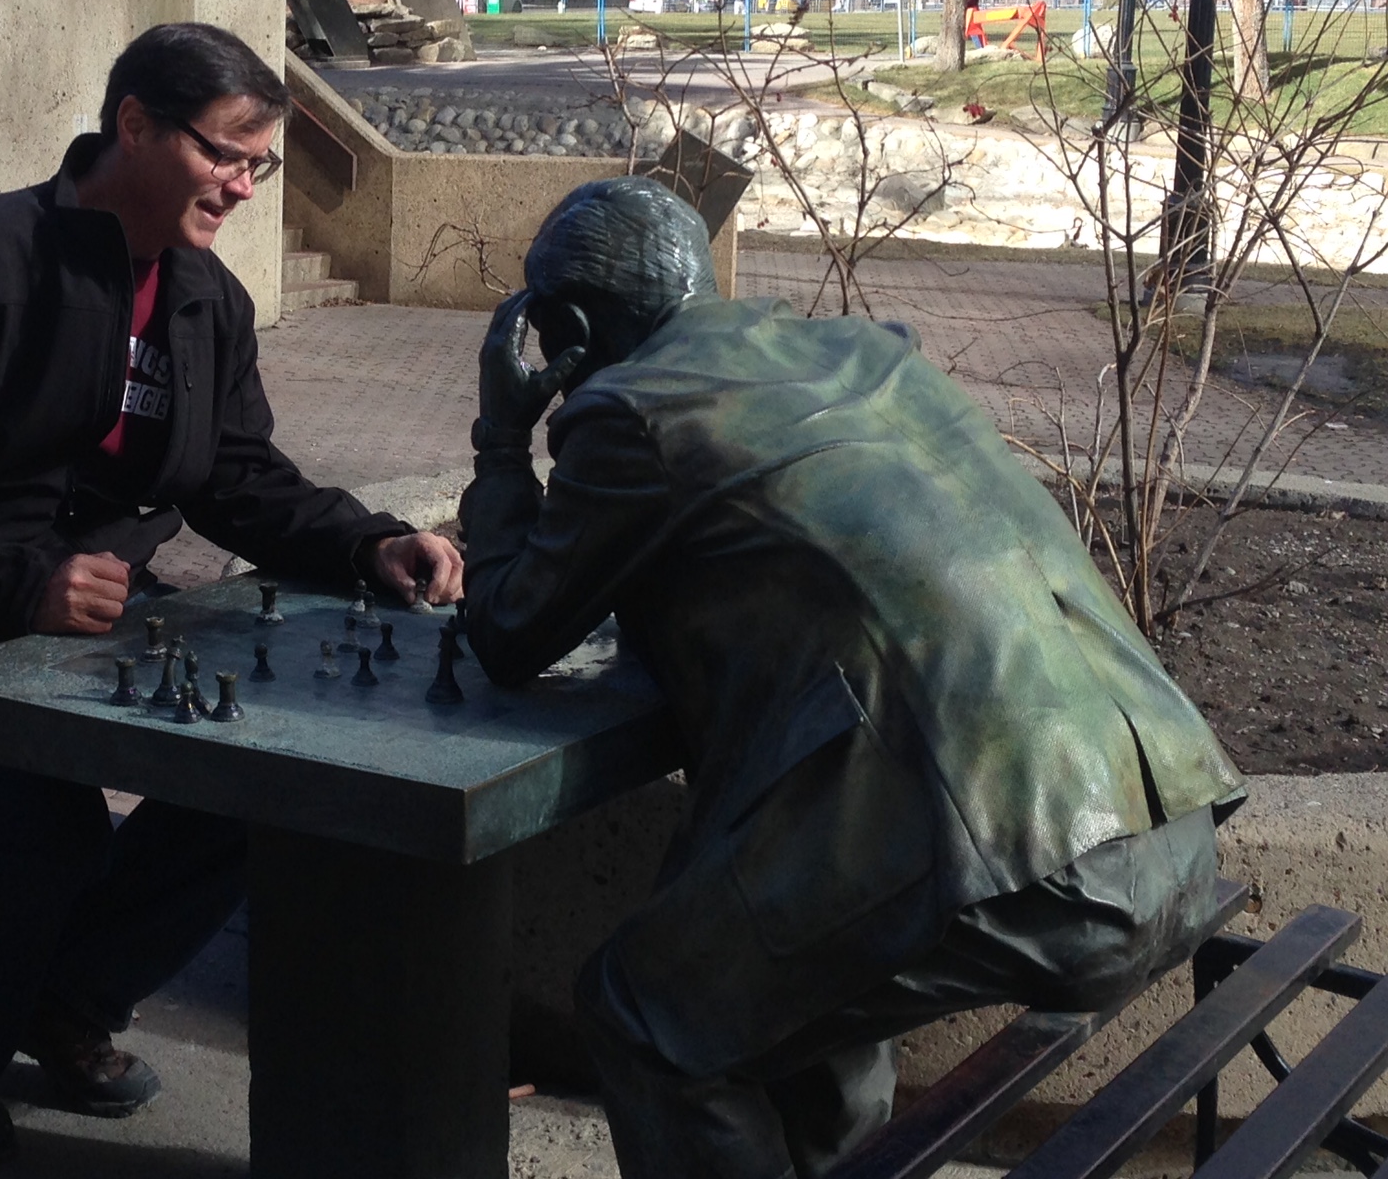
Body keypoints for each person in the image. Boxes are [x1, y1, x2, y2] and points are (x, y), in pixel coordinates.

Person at [456, 177, 1245, 1179]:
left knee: (644, 1015)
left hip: (1029, 874)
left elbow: (508, 630)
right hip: (1167, 829)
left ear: (566, 329)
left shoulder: (634, 413)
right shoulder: (867, 351)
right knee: (800, 956)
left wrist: (500, 438)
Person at [0, 22, 462, 1167]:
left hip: (80, 624)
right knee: (37, 826)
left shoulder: (205, 301)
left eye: (257, 165)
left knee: (261, 783)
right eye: (223, 155)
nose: (241, 186)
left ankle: (67, 999)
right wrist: (22, 582)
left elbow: (235, 475)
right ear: (134, 125)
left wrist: (370, 544)